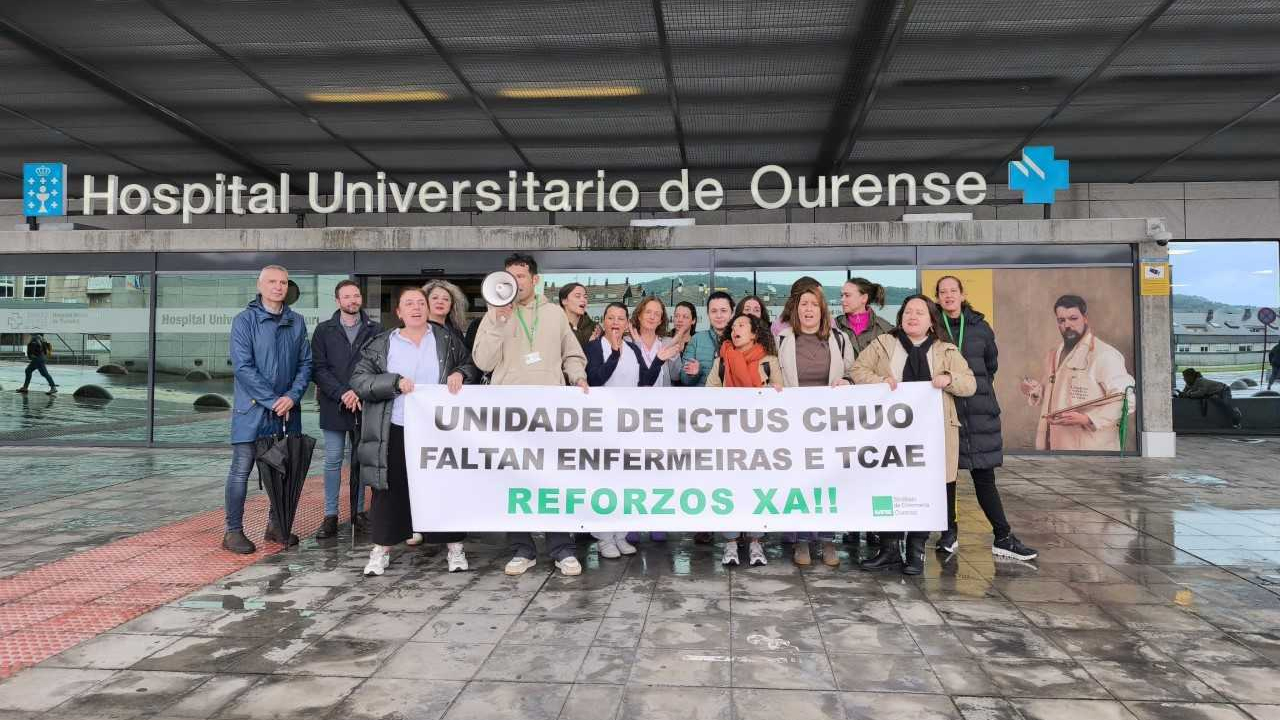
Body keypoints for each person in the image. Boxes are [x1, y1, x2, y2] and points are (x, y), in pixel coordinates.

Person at [473, 253, 590, 577]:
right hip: (509, 415)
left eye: (521, 277)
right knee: (514, 482)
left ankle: (561, 548)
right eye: (508, 276)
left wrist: (578, 375)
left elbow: (572, 353)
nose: (514, 282)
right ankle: (522, 549)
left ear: (534, 280)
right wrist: (497, 322)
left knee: (551, 479)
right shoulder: (493, 314)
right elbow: (482, 361)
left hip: (549, 412)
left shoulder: (553, 313)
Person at [351, 286, 479, 575]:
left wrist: (461, 373)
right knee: (389, 489)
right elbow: (359, 379)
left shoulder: (446, 339)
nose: (416, 308)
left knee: (444, 486)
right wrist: (393, 382)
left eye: (420, 303)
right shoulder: (383, 343)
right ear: (398, 312)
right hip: (394, 427)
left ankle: (455, 547)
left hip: (438, 429)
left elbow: (470, 365)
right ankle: (381, 549)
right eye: (408, 303)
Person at [851, 295, 976, 575]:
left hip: (933, 435)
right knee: (889, 486)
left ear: (931, 320)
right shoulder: (884, 344)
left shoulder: (946, 350)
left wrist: (949, 379)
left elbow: (970, 383)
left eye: (920, 312)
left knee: (927, 489)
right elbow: (858, 370)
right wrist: (880, 381)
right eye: (908, 311)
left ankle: (917, 550)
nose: (912, 316)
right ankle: (890, 548)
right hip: (889, 434)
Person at [934, 276, 1038, 561]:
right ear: (938, 297)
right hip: (946, 412)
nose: (948, 296)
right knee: (946, 478)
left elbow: (991, 366)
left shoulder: (980, 327)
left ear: (962, 294)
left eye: (953, 291)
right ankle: (948, 533)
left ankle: (1002, 535)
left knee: (984, 477)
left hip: (978, 411)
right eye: (943, 292)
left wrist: (972, 387)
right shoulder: (933, 328)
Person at [221, 265, 313, 555]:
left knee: (283, 471)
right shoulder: (244, 321)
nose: (278, 287)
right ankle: (233, 531)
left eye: (283, 282)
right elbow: (243, 367)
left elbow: (305, 364)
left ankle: (276, 526)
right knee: (241, 471)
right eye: (272, 282)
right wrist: (272, 400)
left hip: (287, 410)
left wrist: (292, 396)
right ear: (260, 286)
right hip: (253, 411)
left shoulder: (296, 321)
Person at [586, 302, 678, 557]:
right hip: (603, 427)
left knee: (626, 481)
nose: (616, 322)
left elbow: (645, 381)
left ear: (627, 323)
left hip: (630, 427)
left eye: (620, 318)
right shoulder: (593, 348)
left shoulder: (633, 349)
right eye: (611, 317)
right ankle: (604, 538)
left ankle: (620, 533)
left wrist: (659, 361)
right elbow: (595, 379)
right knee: (604, 482)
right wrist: (614, 354)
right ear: (603, 321)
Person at [775, 284, 855, 567]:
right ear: (796, 310)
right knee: (798, 482)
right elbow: (773, 376)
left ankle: (827, 540)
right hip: (792, 426)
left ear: (823, 309)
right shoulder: (783, 340)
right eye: (803, 304)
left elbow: (851, 372)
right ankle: (801, 540)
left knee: (827, 482)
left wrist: (847, 381)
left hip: (828, 427)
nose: (808, 309)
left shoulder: (839, 338)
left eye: (813, 304)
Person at [707, 311, 782, 566]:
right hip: (729, 436)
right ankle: (730, 542)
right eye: (733, 325)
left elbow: (783, 395)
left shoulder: (769, 360)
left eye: (742, 325)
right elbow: (710, 392)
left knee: (758, 488)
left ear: (754, 333)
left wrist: (772, 393)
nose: (735, 329)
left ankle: (756, 541)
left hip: (760, 438)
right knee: (730, 488)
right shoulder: (723, 359)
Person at [310, 279, 380, 540]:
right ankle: (330, 516)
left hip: (364, 405)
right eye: (347, 297)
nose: (353, 300)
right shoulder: (324, 330)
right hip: (333, 405)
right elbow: (318, 368)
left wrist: (358, 392)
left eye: (356, 296)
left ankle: (359, 513)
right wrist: (342, 392)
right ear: (337, 301)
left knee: (360, 462)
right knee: (332, 461)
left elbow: (378, 366)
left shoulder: (375, 329)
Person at [1019, 295, 1136, 451]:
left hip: (1091, 449)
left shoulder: (1104, 355)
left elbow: (1127, 400)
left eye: (1073, 318)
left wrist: (1088, 419)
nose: (1067, 325)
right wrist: (1035, 390)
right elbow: (1056, 393)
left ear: (1085, 318)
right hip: (1053, 445)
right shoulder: (1053, 355)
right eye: (1061, 320)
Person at [678, 291, 734, 388]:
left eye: (723, 310)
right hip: (702, 400)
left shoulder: (740, 339)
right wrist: (693, 373)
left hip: (733, 399)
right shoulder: (697, 339)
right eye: (714, 311)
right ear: (708, 314)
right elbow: (684, 380)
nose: (719, 315)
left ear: (732, 313)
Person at [837, 277, 894, 357]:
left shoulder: (885, 329)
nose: (842, 299)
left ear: (864, 298)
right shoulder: (833, 326)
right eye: (841, 295)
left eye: (847, 295)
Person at [1178, 368, 1243, 430]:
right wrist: (1181, 394)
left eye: (1185, 377)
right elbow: (1185, 392)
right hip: (1214, 393)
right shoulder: (1189, 384)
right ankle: (1235, 420)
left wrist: (1188, 394)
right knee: (1215, 400)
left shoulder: (1201, 381)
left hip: (1224, 390)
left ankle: (1236, 415)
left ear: (1191, 376)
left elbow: (1201, 393)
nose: (1184, 379)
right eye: (1183, 377)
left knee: (1225, 404)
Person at [559, 282, 599, 351]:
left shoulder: (595, 328)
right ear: (564, 301)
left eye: (585, 297)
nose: (583, 300)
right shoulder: (555, 327)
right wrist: (589, 346)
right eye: (578, 296)